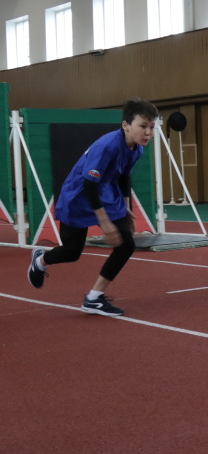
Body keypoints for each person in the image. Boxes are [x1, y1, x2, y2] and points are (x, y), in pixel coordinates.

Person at [27, 99, 159, 316]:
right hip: (78, 197)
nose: (148, 133)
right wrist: (104, 222)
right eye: (143, 126)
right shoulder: (107, 146)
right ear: (126, 125)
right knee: (71, 252)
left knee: (126, 245)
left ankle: (93, 298)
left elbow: (124, 176)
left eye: (151, 127)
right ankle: (41, 260)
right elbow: (89, 185)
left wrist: (126, 208)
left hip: (107, 194)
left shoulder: (137, 149)